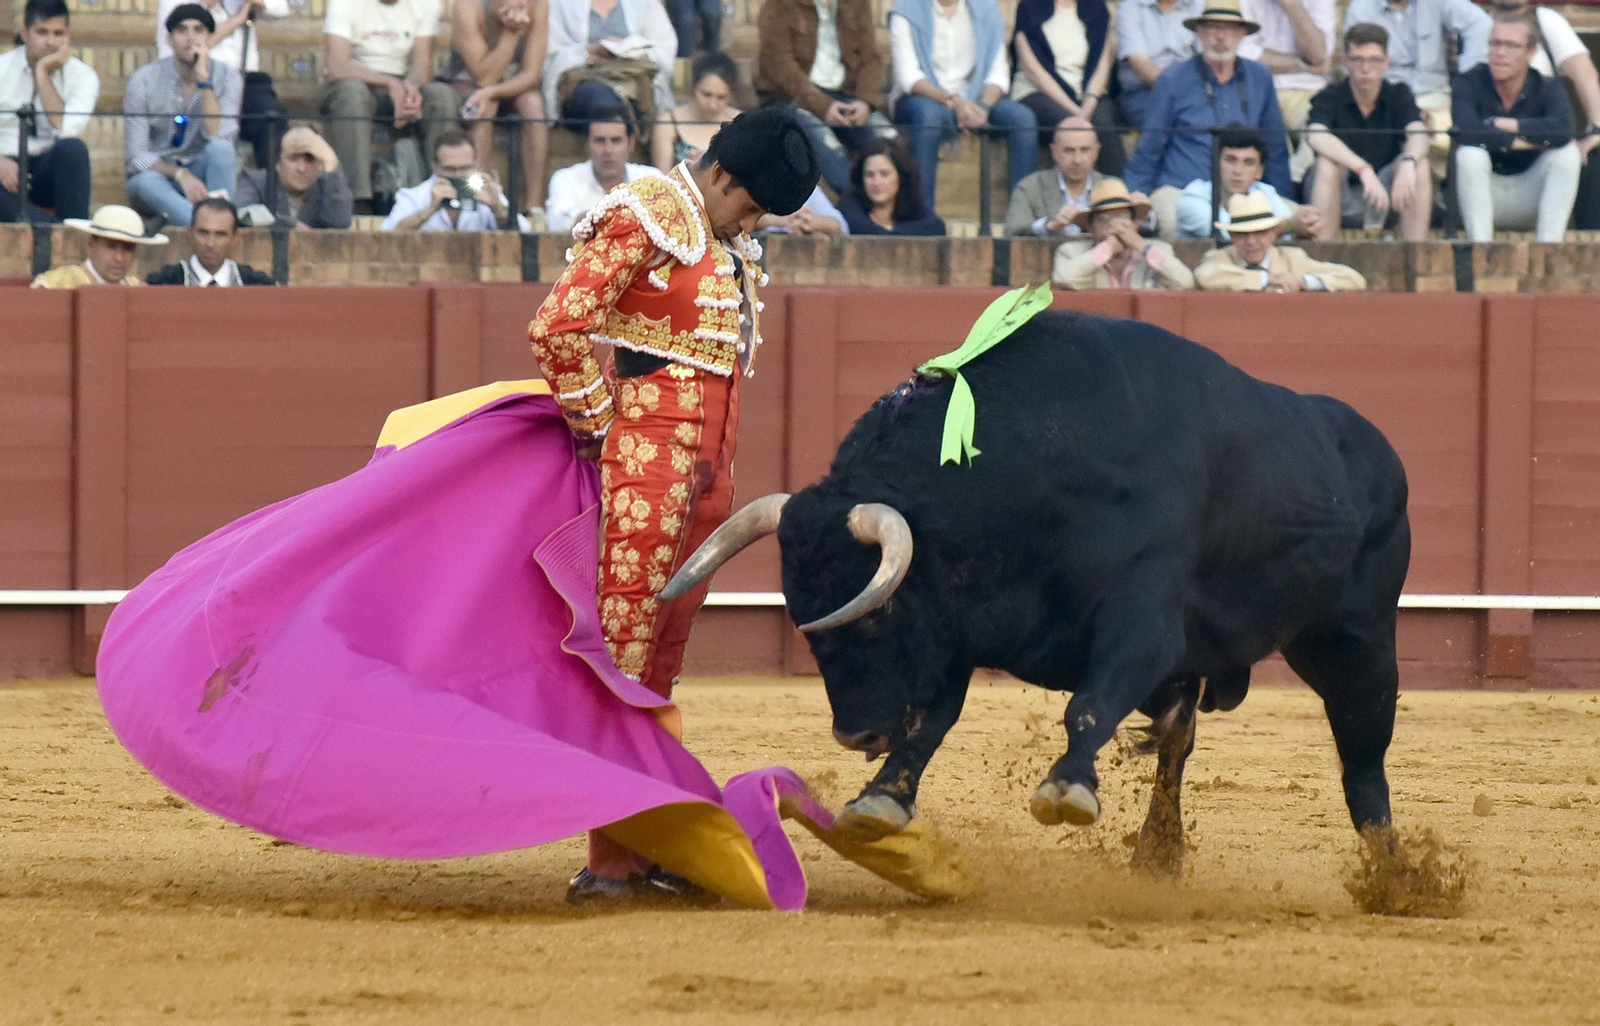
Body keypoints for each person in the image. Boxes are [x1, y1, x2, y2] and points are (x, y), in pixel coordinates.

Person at [526, 106, 820, 901]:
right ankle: (609, 861)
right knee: (627, 656)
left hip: (705, 480)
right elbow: (557, 327)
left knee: (660, 661)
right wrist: (598, 427)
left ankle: (646, 841)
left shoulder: (718, 234)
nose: (752, 225)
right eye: (750, 205)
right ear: (719, 173)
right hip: (646, 472)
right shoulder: (647, 213)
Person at [1123, 0, 1290, 239]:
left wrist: (1281, 196)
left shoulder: (1260, 77)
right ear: (1199, 32)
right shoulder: (1172, 79)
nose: (1221, 37)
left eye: (1230, 29)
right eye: (1213, 28)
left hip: (1246, 192)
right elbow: (1150, 147)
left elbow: (1275, 146)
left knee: (1299, 221)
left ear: (1242, 34)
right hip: (1180, 188)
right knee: (1172, 221)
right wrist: (1134, 196)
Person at [888, 0, 1038, 211]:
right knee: (929, 117)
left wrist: (983, 109)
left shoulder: (986, 10)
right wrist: (954, 102)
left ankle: (1022, 214)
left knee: (1023, 119)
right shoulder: (906, 10)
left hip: (975, 99)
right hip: (924, 98)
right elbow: (909, 77)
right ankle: (921, 215)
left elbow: (998, 74)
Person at [1452, 8, 1580, 244]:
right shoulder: (1469, 81)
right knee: (1470, 155)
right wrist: (1520, 141)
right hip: (1485, 192)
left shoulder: (1547, 86)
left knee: (1568, 154)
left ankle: (1548, 248)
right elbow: (1466, 130)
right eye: (1495, 43)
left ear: (1531, 52)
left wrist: (1506, 124)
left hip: (1528, 193)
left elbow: (1564, 130)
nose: (1500, 53)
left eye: (1511, 46)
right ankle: (1480, 249)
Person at [319, 0, 459, 213]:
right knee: (352, 95)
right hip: (353, 79)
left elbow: (422, 65)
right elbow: (337, 67)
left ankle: (442, 193)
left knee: (442, 97)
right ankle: (357, 199)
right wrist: (389, 83)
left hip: (401, 79)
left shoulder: (427, 4)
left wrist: (411, 90)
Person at [1303, 23, 1431, 241]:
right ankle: (1323, 257)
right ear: (1345, 62)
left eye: (1374, 60)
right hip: (1341, 193)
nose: (1365, 68)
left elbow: (1418, 131)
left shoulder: (1398, 94)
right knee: (1326, 165)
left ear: (1386, 63)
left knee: (1419, 165)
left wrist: (1408, 162)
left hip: (1390, 195)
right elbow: (1315, 135)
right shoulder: (1330, 95)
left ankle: (1416, 256)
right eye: (1357, 59)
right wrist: (1363, 169)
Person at [754, 0, 896, 194]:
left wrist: (865, 101)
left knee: (891, 142)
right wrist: (823, 106)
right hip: (790, 98)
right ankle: (855, 205)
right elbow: (778, 63)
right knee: (829, 148)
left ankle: (903, 210)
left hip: (845, 94)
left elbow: (870, 57)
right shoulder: (779, 4)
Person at [124, 4, 243, 228]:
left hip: (203, 174)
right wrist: (180, 174)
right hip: (160, 178)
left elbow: (220, 137)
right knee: (145, 182)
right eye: (182, 30)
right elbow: (136, 157)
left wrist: (204, 81)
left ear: (210, 37)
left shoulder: (228, 77)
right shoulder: (143, 80)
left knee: (222, 151)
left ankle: (211, 225)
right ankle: (212, 227)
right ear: (169, 39)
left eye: (198, 30)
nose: (190, 38)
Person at [1487, 0, 1600, 230]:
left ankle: (1589, 246)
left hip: (1543, 144)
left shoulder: (1546, 20)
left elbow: (1584, 74)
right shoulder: (1472, 20)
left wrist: (1596, 129)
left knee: (1591, 158)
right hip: (1487, 146)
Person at [1341, 0, 1490, 171]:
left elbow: (1481, 25)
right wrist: (1406, 108)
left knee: (1451, 138)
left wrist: (1468, 79)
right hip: (1386, 97)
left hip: (1435, 95)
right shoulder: (1361, 8)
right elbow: (1355, 64)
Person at [442, 0, 549, 228]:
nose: (521, 3)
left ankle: (534, 206)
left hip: (510, 82)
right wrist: (511, 33)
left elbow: (532, 74)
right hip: (468, 80)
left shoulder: (538, 4)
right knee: (485, 106)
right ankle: (475, 195)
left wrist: (493, 92)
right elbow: (484, 77)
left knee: (533, 104)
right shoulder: (467, 7)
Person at [156, 0, 289, 172]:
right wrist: (235, 21)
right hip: (198, 79)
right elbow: (185, 50)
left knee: (271, 117)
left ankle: (274, 183)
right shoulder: (173, 3)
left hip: (246, 81)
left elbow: (281, 8)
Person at [0, 0, 96, 223]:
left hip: (46, 167)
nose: (50, 42)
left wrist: (43, 73)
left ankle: (67, 232)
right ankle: (58, 232)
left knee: (73, 150)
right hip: (4, 165)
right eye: (42, 32)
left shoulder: (83, 76)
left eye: (58, 33)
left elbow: (66, 129)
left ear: (68, 36)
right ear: (25, 33)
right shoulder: (2, 69)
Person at [1009, 0, 1124, 175]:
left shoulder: (1097, 8)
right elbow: (1034, 71)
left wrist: (1089, 103)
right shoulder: (1028, 7)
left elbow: (1102, 65)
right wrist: (1077, 113)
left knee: (1104, 124)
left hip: (1088, 92)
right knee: (1069, 127)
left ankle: (1119, 189)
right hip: (1039, 91)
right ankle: (1053, 190)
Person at [542, 0, 678, 133]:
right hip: (582, 81)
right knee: (604, 102)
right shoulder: (559, 4)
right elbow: (550, 53)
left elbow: (664, 49)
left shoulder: (646, 3)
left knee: (625, 102)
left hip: (633, 80)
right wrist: (587, 51)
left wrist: (633, 51)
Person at [1237, 0, 1333, 181]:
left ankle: (1294, 181)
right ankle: (1281, 184)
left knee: (1320, 131)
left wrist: (1291, 5)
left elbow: (1319, 55)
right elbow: (1242, 53)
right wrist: (1302, 64)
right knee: (1271, 139)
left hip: (1308, 90)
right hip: (1259, 88)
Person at [1194, 190, 1365, 290]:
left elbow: (1353, 279)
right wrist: (1265, 280)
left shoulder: (1293, 258)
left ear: (1273, 233)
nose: (1251, 241)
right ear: (1232, 237)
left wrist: (1304, 282)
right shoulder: (1220, 257)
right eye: (1242, 235)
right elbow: (1205, 275)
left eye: (1259, 233)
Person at [1174, 123, 1319, 239]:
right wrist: (1289, 226)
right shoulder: (1192, 198)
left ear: (1259, 171)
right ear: (1215, 164)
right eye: (1231, 160)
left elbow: (1287, 230)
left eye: (1248, 162)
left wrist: (1305, 223)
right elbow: (1231, 234)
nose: (1238, 170)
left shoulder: (1266, 193)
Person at [1053, 177, 1194, 289]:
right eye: (1103, 220)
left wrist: (1141, 245)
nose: (1114, 226)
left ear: (1134, 224)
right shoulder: (1071, 251)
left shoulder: (1158, 249)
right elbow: (1064, 279)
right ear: (1092, 229)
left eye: (1121, 217)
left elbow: (1184, 282)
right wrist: (1107, 248)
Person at [546, 106, 663, 231]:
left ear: (631, 144)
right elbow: (557, 221)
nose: (608, 150)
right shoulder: (566, 179)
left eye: (616, 140)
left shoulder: (652, 178)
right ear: (587, 144)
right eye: (600, 141)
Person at [382, 128, 513, 230]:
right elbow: (387, 235)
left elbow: (522, 234)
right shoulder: (414, 196)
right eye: (450, 169)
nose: (458, 175)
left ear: (474, 165)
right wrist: (430, 209)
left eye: (465, 168)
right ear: (435, 167)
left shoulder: (487, 192)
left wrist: (498, 209)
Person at [234, 125, 355, 229]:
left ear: (320, 165)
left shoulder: (329, 187)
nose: (301, 168)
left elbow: (340, 223)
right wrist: (291, 226)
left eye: (310, 159)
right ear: (278, 163)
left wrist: (331, 162)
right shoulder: (255, 181)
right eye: (293, 158)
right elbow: (242, 213)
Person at [1004, 116, 1104, 236]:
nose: (1077, 160)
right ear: (1054, 152)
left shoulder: (1112, 187)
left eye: (1085, 150)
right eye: (1069, 150)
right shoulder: (1029, 188)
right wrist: (1048, 226)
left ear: (1097, 152)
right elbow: (1012, 233)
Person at [31, 204, 167, 288]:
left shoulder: (137, 289)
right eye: (111, 246)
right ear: (91, 245)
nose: (119, 258)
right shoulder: (57, 284)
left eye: (128, 248)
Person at [147, 197, 276, 284]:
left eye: (220, 235)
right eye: (203, 233)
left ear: (235, 238)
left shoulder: (257, 284)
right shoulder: (164, 283)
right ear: (190, 233)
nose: (210, 243)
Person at [651, 51, 740, 171]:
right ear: (694, 87)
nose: (712, 105)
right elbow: (661, 176)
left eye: (721, 97)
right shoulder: (668, 123)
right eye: (706, 94)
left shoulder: (741, 123)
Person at [1116, 0, 1200, 128]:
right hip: (1146, 90)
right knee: (1180, 123)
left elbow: (1205, 56)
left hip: (1193, 87)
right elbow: (1140, 65)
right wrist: (1178, 92)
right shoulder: (1131, 7)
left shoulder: (1197, 4)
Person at [837, 138, 948, 235]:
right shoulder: (849, 204)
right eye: (870, 175)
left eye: (884, 174)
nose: (876, 183)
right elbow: (860, 228)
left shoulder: (912, 205)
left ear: (901, 177)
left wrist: (891, 230)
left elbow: (937, 227)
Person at [759, 184, 849, 235]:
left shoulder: (807, 189)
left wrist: (809, 222)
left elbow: (840, 226)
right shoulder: (756, 185)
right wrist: (777, 220)